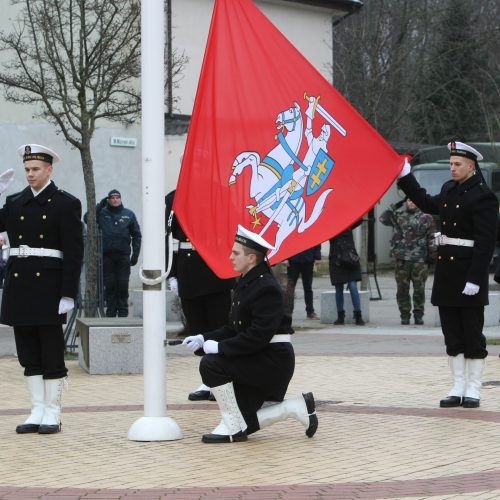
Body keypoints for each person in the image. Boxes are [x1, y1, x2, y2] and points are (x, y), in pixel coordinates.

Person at [182, 225, 318, 443]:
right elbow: (234, 328)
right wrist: (204, 338)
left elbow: (258, 335)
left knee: (211, 364)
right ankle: (296, 407)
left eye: (236, 253)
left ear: (252, 258)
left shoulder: (266, 288)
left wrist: (219, 348)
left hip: (271, 361)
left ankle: (231, 425)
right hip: (259, 357)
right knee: (248, 422)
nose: (230, 257)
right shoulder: (247, 283)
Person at [398, 141, 498, 408]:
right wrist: (405, 177)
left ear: (471, 166)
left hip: (468, 273)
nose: (452, 169)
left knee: (472, 334)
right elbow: (429, 204)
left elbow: (486, 242)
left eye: (457, 164)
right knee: (452, 334)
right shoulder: (449, 189)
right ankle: (457, 386)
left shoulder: (483, 196)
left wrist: (476, 279)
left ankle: (474, 388)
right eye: (451, 164)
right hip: (448, 273)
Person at [0, 144, 84, 434]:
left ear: (49, 169)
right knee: (28, 354)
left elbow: (74, 253)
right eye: (27, 170)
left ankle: (53, 411)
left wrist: (69, 293)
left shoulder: (65, 203)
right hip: (20, 285)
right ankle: (36, 409)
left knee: (51, 353)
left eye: (36, 169)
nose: (31, 174)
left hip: (48, 286)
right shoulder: (14, 202)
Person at [165, 190, 235, 401]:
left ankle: (225, 378)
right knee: (198, 329)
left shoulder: (220, 193)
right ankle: (209, 379)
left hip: (215, 272)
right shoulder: (174, 198)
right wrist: (172, 273)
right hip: (188, 271)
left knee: (218, 327)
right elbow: (168, 237)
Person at [379, 198, 437, 325]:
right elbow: (382, 218)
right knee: (402, 289)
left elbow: (432, 237)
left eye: (413, 200)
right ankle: (404, 315)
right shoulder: (399, 216)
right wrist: (395, 205)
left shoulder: (426, 218)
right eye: (409, 201)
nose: (411, 203)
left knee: (419, 289)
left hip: (419, 260)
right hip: (401, 259)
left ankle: (418, 314)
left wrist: (433, 254)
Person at [91, 190, 141, 317]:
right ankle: (111, 313)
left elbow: (136, 235)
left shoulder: (128, 214)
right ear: (108, 200)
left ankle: (123, 312)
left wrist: (135, 254)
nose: (115, 200)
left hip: (123, 257)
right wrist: (99, 206)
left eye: (117, 197)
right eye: (112, 197)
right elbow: (88, 219)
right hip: (106, 256)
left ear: (120, 199)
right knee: (110, 285)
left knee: (123, 284)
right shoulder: (102, 213)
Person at [328, 223, 365, 325]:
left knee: (353, 286)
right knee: (338, 288)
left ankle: (358, 315)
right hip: (337, 260)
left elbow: (359, 218)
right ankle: (340, 316)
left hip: (350, 259)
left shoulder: (348, 223)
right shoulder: (330, 227)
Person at [283, 245, 322, 320]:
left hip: (308, 259)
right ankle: (287, 312)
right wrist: (284, 258)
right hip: (293, 260)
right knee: (290, 288)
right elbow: (287, 240)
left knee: (308, 288)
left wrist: (317, 257)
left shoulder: (311, 232)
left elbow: (317, 241)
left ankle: (310, 312)